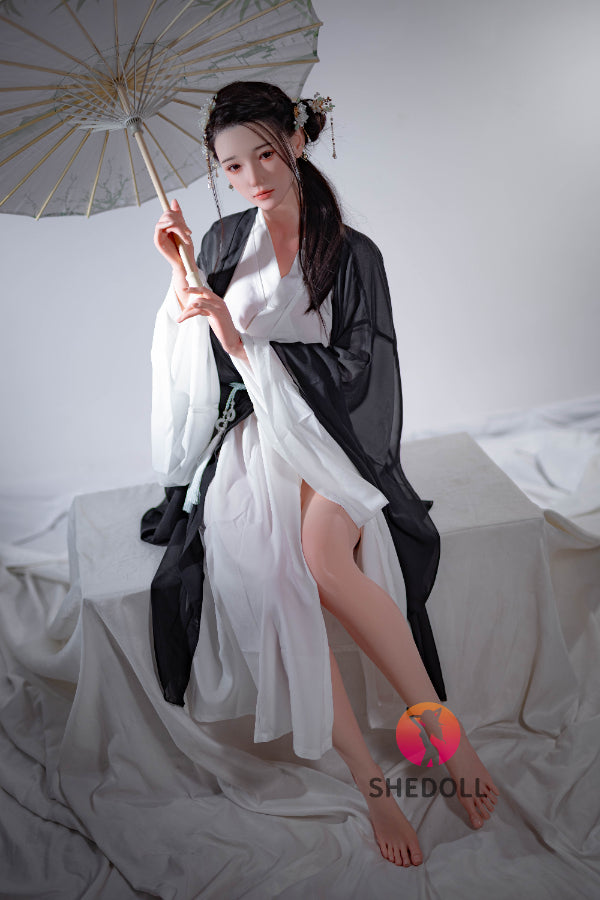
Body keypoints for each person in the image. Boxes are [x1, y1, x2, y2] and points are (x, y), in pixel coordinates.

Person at [146, 80, 499, 868]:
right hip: (253, 443)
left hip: (328, 435)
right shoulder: (221, 241)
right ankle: (371, 783)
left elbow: (361, 371)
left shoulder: (349, 251)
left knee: (325, 562)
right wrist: (179, 274)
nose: (251, 178)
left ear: (298, 141)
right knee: (279, 578)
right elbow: (194, 363)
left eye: (265, 155)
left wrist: (246, 342)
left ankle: (448, 742)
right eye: (231, 167)